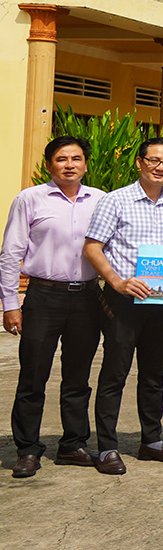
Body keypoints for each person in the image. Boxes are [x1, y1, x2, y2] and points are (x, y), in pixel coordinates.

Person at [83, 136, 163, 475]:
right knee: (115, 373)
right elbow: (93, 247)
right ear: (139, 162)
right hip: (123, 300)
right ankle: (107, 448)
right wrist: (117, 282)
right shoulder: (117, 201)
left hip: (162, 302)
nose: (160, 167)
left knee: (154, 375)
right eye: (154, 160)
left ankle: (151, 441)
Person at [3, 136, 105, 478]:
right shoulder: (30, 199)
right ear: (49, 165)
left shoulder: (101, 201)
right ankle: (28, 450)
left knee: (78, 377)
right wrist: (9, 303)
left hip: (88, 298)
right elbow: (11, 253)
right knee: (33, 376)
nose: (70, 164)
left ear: (86, 164)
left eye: (76, 158)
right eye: (62, 159)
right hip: (43, 297)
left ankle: (73, 445)